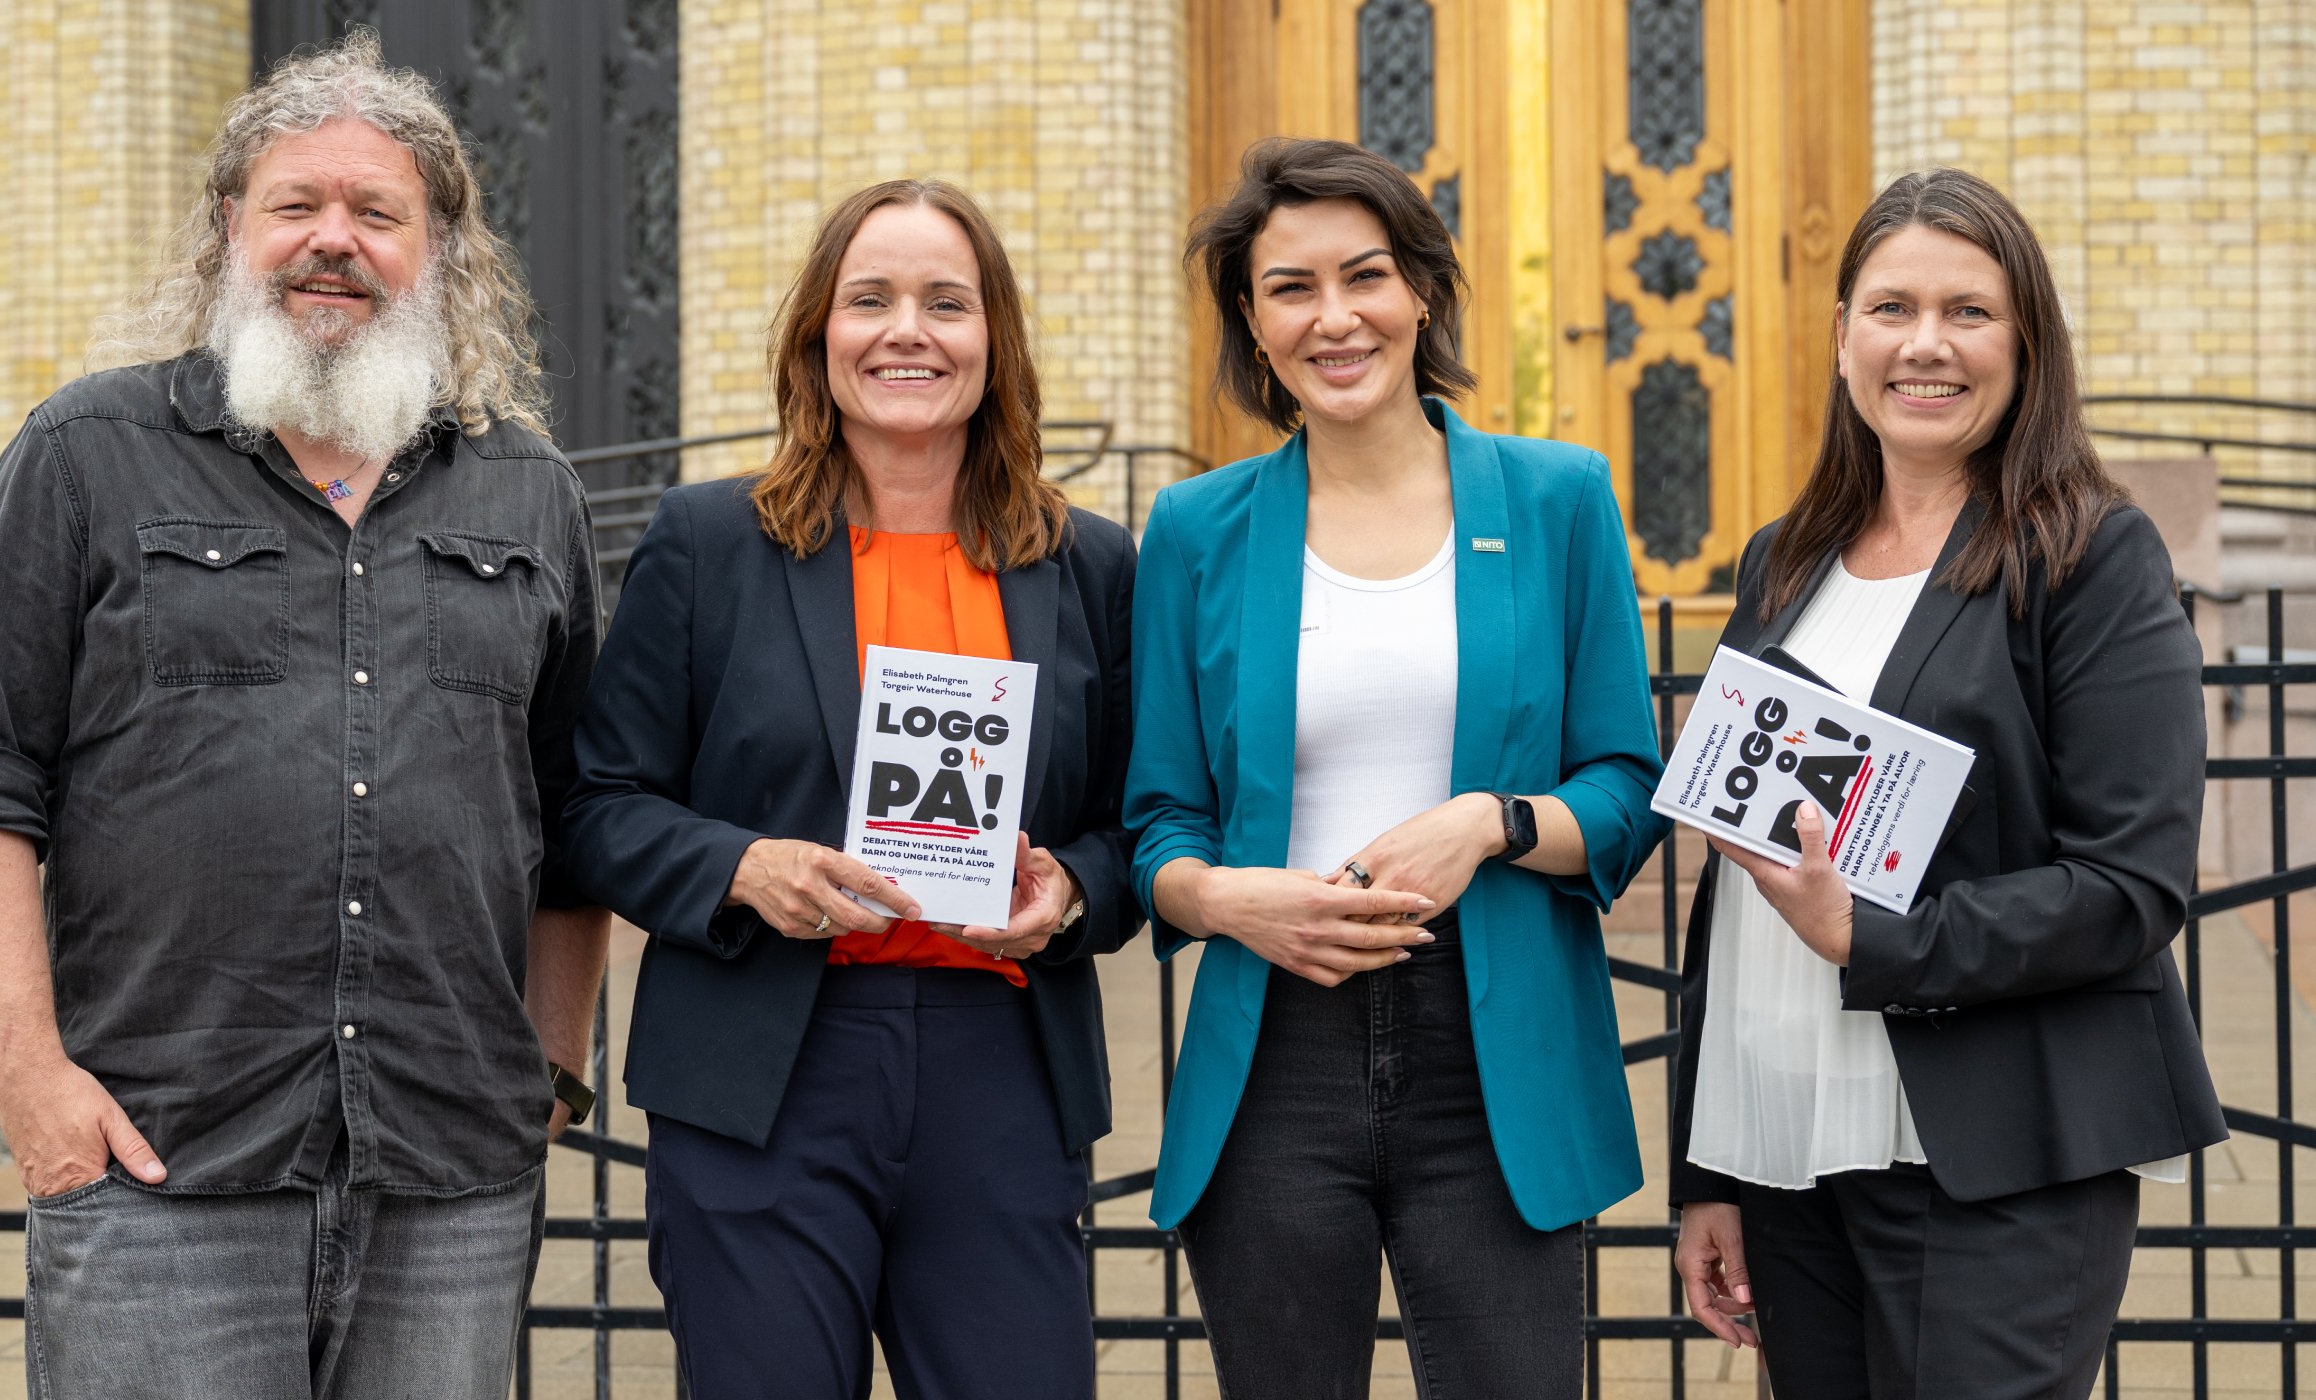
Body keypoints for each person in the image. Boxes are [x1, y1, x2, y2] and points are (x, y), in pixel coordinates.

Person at [0, 32, 609, 1398]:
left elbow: (573, 818)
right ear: (232, 226)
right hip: (162, 1163)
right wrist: (29, 1078)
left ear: (439, 250)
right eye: (296, 206)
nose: (331, 242)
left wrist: (553, 1071)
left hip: (448, 1177)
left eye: (376, 213)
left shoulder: (531, 495)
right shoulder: (82, 455)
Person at [562, 178, 1140, 1400]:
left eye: (946, 302)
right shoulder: (708, 543)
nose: (907, 331)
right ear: (818, 336)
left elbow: (1136, 824)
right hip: (763, 1062)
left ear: (995, 340)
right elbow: (597, 803)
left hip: (1001, 1068)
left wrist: (1072, 892)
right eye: (868, 299)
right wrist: (739, 867)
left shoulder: (1083, 560)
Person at [1668, 167, 2228, 1398]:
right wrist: (1706, 1170)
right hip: (1786, 1144)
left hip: (1991, 1149)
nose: (1926, 344)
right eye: (1891, 307)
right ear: (1840, 337)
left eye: (1968, 311)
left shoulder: (2091, 554)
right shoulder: (1782, 559)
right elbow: (1734, 864)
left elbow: (2129, 883)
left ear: (2026, 343)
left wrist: (1876, 937)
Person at [1124, 137, 1669, 1398]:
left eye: (1363, 275)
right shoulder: (1196, 529)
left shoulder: (1555, 497)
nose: (1334, 317)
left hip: (1498, 1053)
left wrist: (1488, 821)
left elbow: (1628, 790)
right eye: (1288, 287)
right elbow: (1156, 814)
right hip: (1275, 1048)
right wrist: (1219, 897)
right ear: (1251, 324)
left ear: (1419, 290)